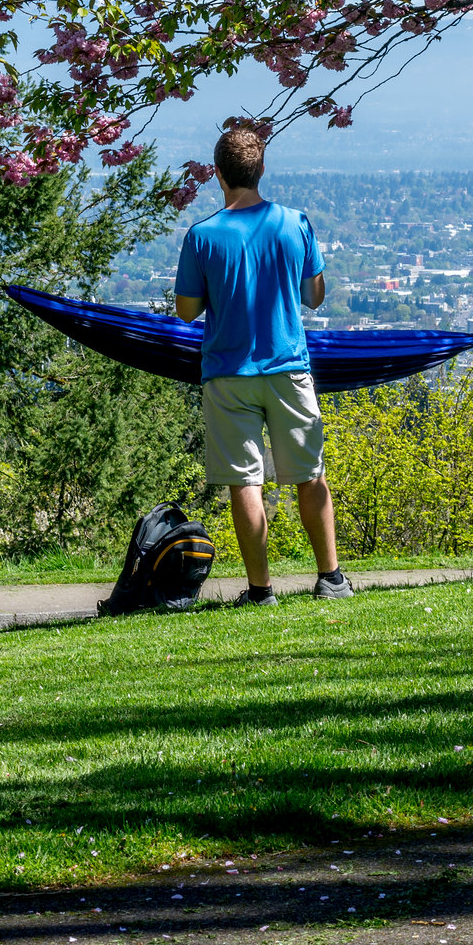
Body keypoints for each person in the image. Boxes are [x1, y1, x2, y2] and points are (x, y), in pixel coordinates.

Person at [173, 125, 350, 606]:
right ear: (262, 169)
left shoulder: (202, 236)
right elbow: (314, 296)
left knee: (245, 482)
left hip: (228, 375)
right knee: (311, 473)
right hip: (288, 367)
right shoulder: (295, 223)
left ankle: (260, 589)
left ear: (217, 174)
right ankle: (330, 578)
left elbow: (186, 311)